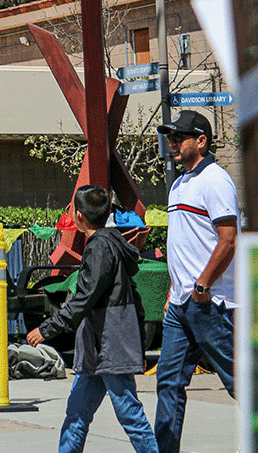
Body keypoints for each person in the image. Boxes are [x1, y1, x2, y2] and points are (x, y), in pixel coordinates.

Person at [27, 184, 156, 453]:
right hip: (98, 347)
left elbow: (84, 298)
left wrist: (47, 329)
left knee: (129, 414)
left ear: (79, 216)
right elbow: (135, 296)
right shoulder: (115, 245)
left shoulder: (99, 249)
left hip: (110, 344)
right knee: (77, 414)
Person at [154, 110, 238, 453]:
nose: (172, 143)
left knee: (240, 381)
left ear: (201, 141)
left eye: (179, 137)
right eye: (170, 137)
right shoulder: (179, 183)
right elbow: (184, 244)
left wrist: (203, 285)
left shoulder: (215, 179)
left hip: (210, 302)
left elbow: (228, 239)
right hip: (180, 304)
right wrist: (175, 290)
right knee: (168, 382)